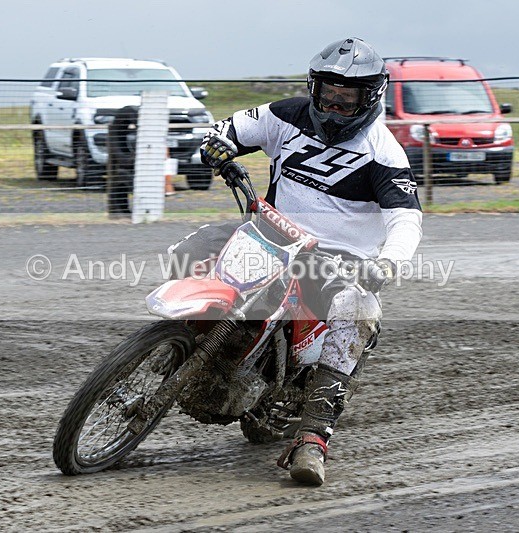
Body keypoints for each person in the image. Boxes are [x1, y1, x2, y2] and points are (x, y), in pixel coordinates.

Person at [170, 37, 423, 485]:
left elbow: (406, 219)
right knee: (191, 249)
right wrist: (216, 146)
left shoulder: (384, 153)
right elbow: (227, 129)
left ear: (372, 97)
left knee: (359, 311)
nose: (336, 105)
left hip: (335, 263)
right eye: (329, 93)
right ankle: (177, 348)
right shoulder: (285, 115)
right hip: (268, 233)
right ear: (314, 87)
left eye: (349, 98)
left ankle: (312, 438)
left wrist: (387, 263)